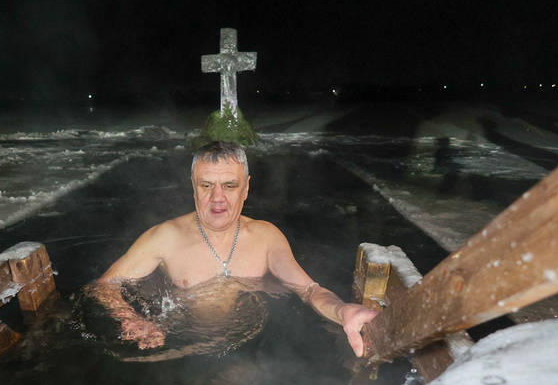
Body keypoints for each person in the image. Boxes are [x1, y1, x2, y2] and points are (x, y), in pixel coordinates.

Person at [96, 141, 377, 357]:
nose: (217, 198)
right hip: (178, 344)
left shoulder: (266, 237)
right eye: (206, 185)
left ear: (246, 189)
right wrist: (131, 320)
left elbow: (309, 290)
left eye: (229, 185)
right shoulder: (165, 238)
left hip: (249, 346)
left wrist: (342, 311)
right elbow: (104, 286)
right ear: (193, 188)